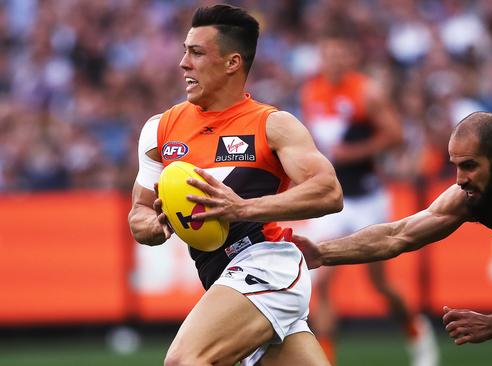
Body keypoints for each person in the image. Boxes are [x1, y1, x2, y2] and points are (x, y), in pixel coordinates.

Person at [294, 111, 492, 365]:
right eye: (455, 166)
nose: (459, 179)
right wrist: (321, 253)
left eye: (469, 165)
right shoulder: (473, 194)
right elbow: (397, 235)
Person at [128, 4, 343, 366]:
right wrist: (157, 224)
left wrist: (242, 209)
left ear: (232, 63)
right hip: (224, 277)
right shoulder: (159, 130)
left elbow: (329, 192)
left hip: (266, 264)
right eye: (185, 50)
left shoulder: (272, 124)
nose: (183, 63)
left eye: (197, 53)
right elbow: (139, 214)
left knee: (184, 361)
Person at [299, 31, 438, 366]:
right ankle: (326, 358)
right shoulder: (312, 91)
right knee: (324, 280)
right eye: (328, 54)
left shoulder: (365, 92)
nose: (333, 61)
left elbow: (395, 134)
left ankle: (416, 332)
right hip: (332, 197)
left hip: (367, 196)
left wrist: (353, 152)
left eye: (339, 54)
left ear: (349, 58)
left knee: (379, 282)